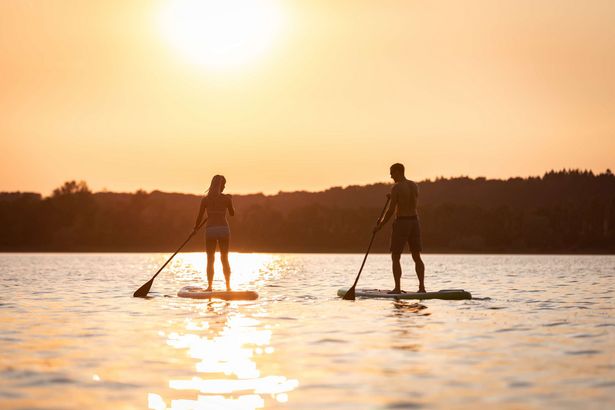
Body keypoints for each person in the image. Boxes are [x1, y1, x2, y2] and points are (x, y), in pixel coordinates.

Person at [374, 163, 426, 294]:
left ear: (398, 171)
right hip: (415, 222)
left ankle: (397, 288)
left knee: (395, 256)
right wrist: (394, 197)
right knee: (417, 256)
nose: (390, 175)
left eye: (392, 172)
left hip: (402, 223)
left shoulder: (396, 188)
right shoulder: (414, 185)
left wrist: (380, 224)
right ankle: (422, 288)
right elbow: (408, 200)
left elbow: (391, 210)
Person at [193, 175, 235, 291]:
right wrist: (230, 201)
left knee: (210, 259)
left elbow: (199, 217)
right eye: (224, 185)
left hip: (210, 230)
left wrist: (195, 229)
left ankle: (210, 287)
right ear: (221, 186)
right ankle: (228, 287)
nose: (225, 187)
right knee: (224, 258)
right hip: (223, 229)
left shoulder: (205, 200)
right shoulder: (226, 199)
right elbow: (232, 214)